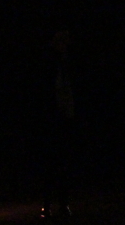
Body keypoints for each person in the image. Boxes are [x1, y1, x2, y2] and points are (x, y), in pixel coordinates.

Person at [38, 29, 78, 220]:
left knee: (59, 162)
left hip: (61, 119)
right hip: (55, 119)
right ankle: (51, 204)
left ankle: (58, 204)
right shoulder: (53, 64)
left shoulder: (63, 63)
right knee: (55, 162)